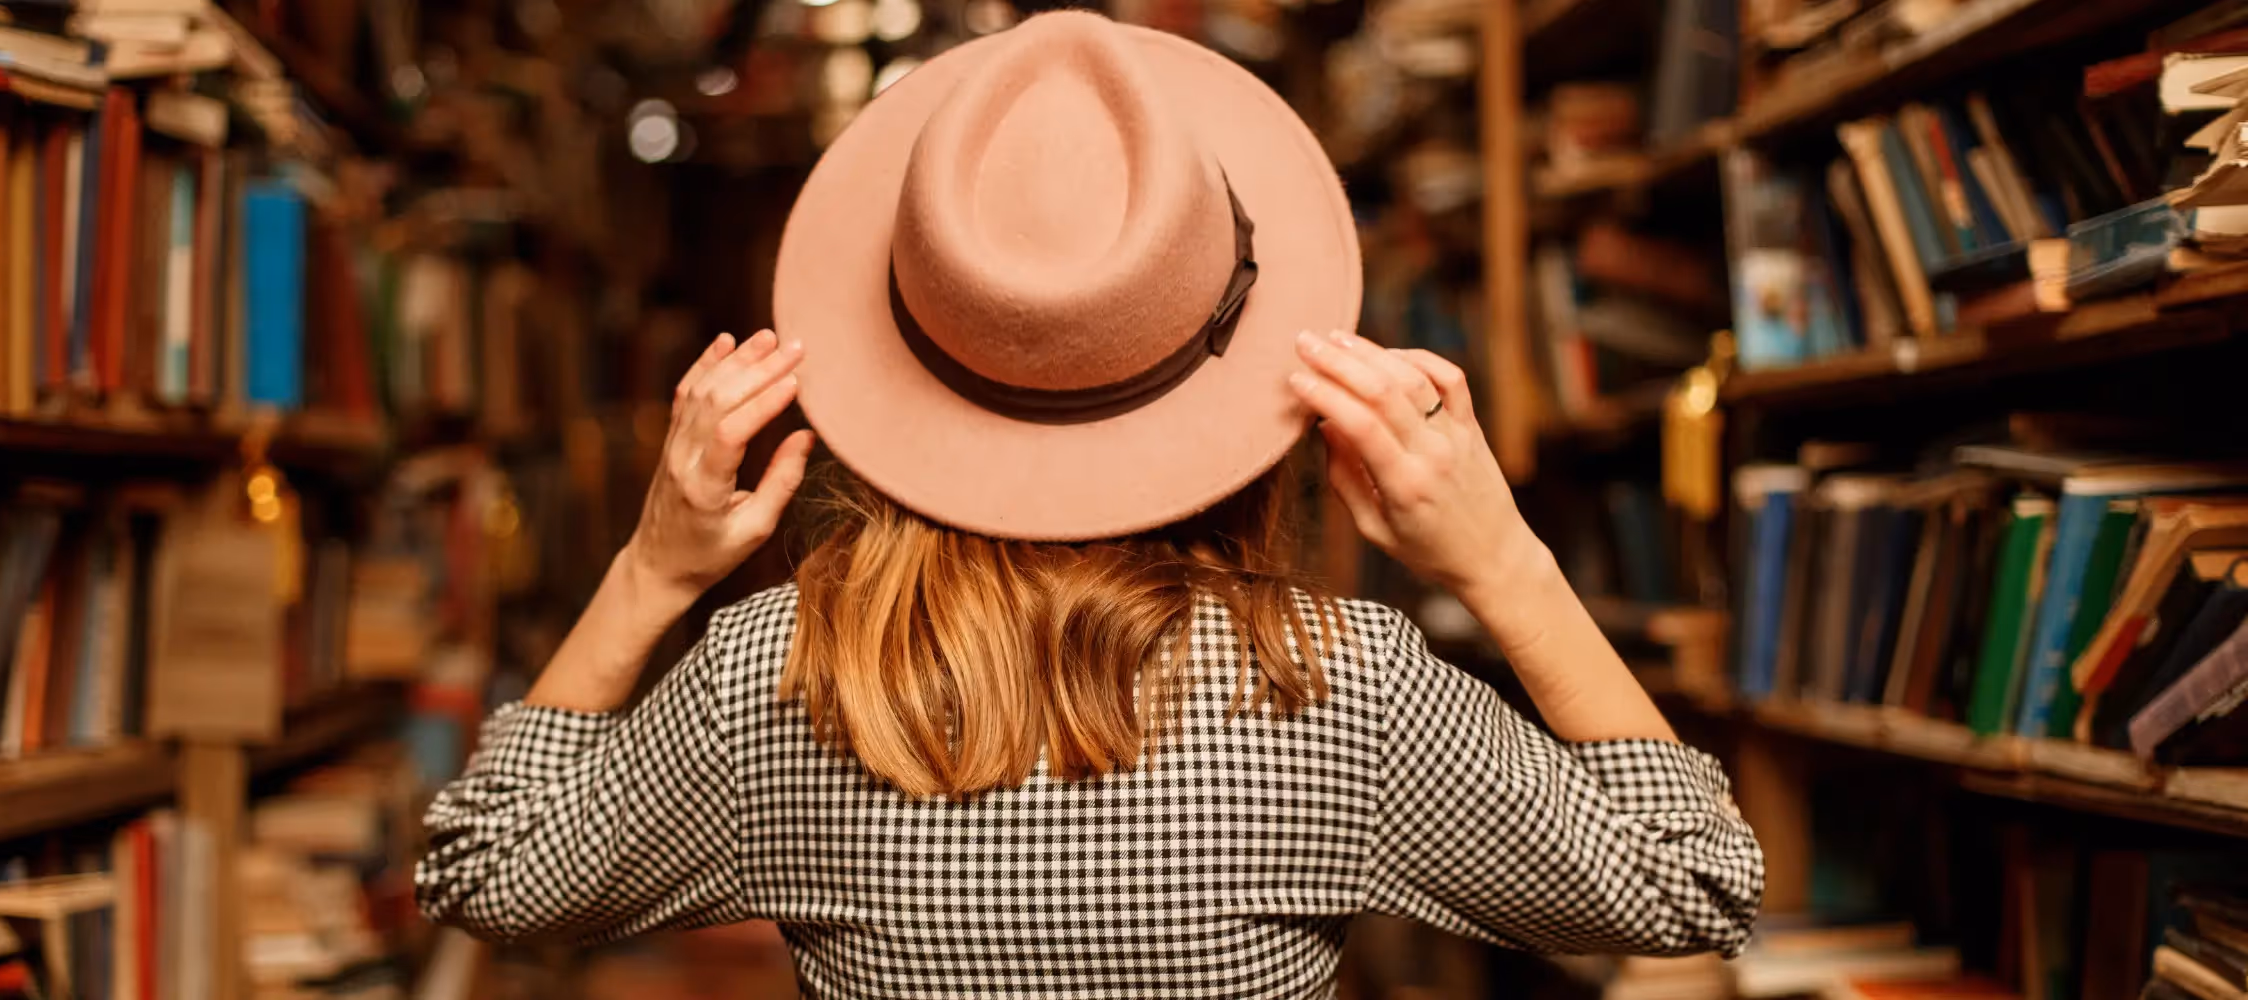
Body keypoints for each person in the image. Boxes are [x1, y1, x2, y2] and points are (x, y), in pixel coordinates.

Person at [416, 10, 1762, 996]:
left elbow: (486, 875)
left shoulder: (780, 681)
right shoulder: (1337, 691)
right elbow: (1698, 881)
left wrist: (654, 568)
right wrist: (1504, 559)